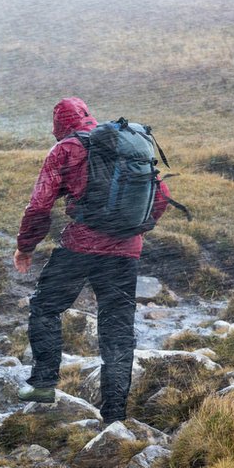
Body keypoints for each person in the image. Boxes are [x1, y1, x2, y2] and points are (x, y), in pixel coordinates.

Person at [13, 96, 171, 425]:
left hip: (80, 249)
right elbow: (162, 194)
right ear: (88, 116)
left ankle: (43, 384)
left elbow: (39, 205)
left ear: (59, 124)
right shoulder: (123, 144)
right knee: (117, 330)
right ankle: (114, 414)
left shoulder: (65, 150)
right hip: (125, 252)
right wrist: (136, 228)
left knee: (45, 308)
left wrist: (26, 246)